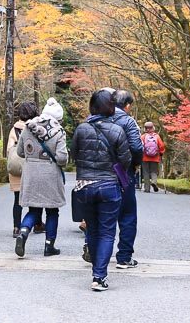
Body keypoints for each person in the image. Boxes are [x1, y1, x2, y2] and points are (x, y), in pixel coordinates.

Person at [72, 89, 131, 291]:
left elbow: (74, 155)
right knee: (107, 233)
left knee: (93, 229)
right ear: (111, 108)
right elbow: (126, 159)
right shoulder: (118, 130)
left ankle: (95, 268)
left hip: (85, 186)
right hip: (109, 186)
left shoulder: (81, 129)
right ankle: (99, 276)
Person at [14, 97, 68, 258]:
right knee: (52, 211)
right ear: (58, 117)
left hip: (31, 173)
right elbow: (62, 158)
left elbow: (20, 152)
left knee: (33, 209)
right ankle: (49, 246)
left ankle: (23, 233)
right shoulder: (58, 131)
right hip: (50, 174)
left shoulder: (28, 127)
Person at [110, 89, 143, 269]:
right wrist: (134, 165)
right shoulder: (128, 121)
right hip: (123, 172)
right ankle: (124, 256)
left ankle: (96, 251)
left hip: (99, 172)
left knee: (101, 214)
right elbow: (137, 148)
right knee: (127, 214)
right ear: (127, 105)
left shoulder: (98, 118)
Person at [6, 102, 39, 237]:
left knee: (17, 200)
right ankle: (36, 224)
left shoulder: (14, 129)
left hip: (16, 169)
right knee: (33, 200)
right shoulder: (34, 128)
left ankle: (16, 227)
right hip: (32, 168)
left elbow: (9, 150)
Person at [140, 121, 166, 193]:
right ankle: (154, 182)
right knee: (154, 172)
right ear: (153, 128)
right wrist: (161, 153)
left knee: (146, 173)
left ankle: (147, 189)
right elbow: (161, 146)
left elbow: (139, 146)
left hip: (145, 157)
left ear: (145, 129)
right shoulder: (157, 136)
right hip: (155, 158)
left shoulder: (143, 137)